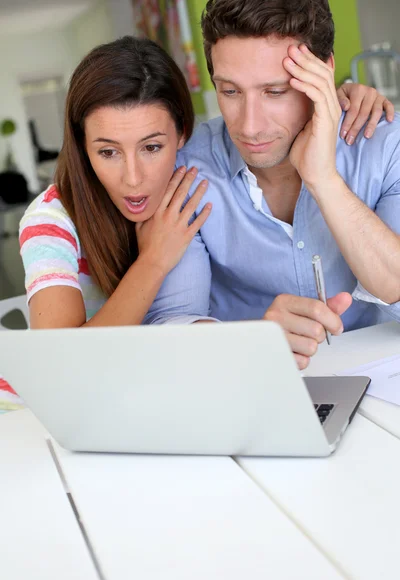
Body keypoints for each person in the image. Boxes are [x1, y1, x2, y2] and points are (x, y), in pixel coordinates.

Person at [0, 33, 394, 412]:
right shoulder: (56, 220)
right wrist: (154, 261)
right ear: (82, 146)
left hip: (149, 396)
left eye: (153, 147)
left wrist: (337, 98)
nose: (134, 178)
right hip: (43, 416)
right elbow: (61, 375)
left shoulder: (183, 178)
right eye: (107, 152)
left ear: (182, 136)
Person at [141, 0, 400, 370]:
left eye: (275, 92)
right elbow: (172, 323)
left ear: (323, 74)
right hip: (245, 384)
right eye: (230, 92)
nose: (249, 126)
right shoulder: (187, 167)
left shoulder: (386, 145)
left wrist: (324, 180)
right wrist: (252, 341)